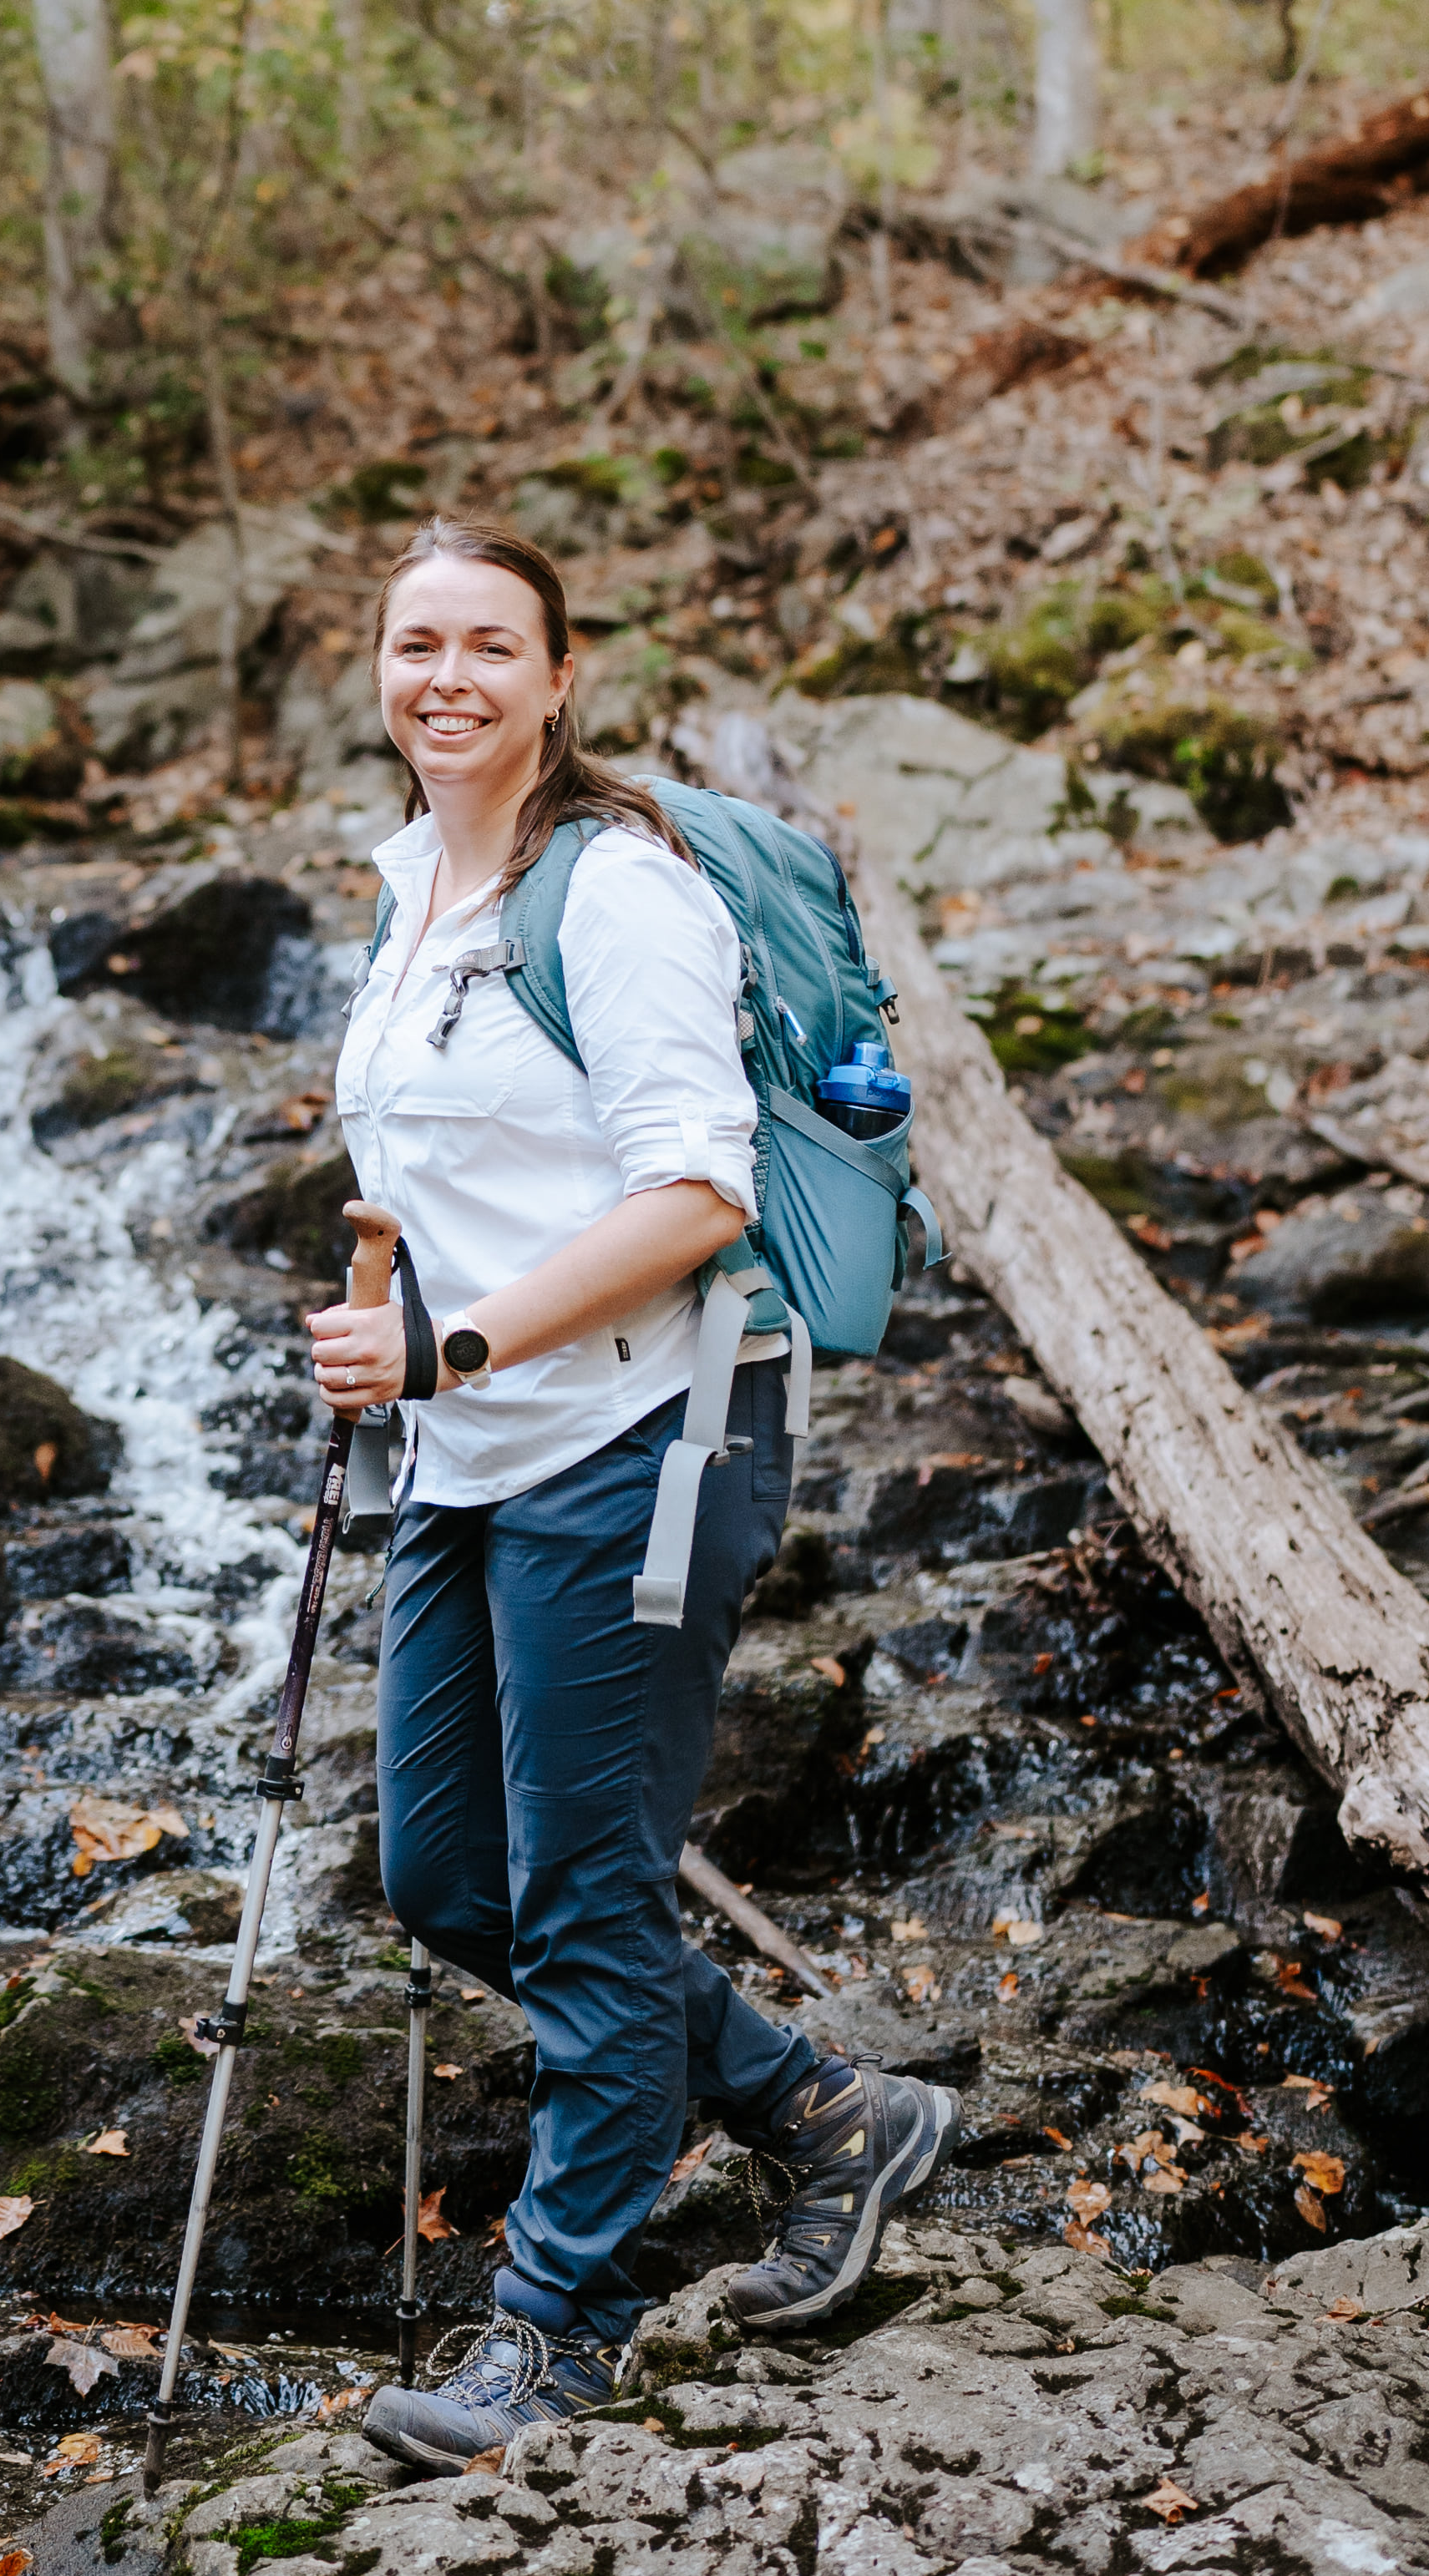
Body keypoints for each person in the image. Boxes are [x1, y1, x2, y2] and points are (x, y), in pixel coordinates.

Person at [308, 524, 958, 2470]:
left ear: (557, 672)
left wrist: (455, 1346)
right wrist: (396, 1346)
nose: (447, 677)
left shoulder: (621, 893)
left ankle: (553, 2327)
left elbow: (694, 1198)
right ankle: (829, 2115)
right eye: (414, 643)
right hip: (472, 1442)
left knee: (583, 1892)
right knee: (444, 1874)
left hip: (643, 1436)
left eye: (486, 646)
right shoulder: (408, 886)